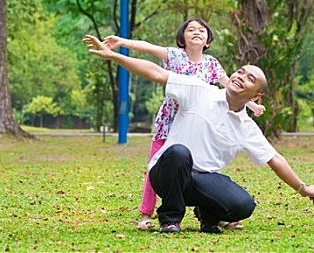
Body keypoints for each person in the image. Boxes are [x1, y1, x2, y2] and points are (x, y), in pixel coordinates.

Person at [82, 34, 314, 234]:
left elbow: (275, 159)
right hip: (167, 171)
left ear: (255, 97)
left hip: (200, 181)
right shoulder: (200, 90)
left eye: (250, 79)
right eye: (240, 72)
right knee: (178, 153)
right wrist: (114, 55)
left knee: (243, 205)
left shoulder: (247, 127)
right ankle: (170, 219)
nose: (240, 77)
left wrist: (303, 188)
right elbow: (156, 73)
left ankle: (207, 214)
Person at [103, 18, 265, 231]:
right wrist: (121, 42)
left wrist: (252, 107)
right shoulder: (175, 55)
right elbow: (150, 49)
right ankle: (146, 213)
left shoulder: (212, 63)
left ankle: (210, 210)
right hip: (170, 121)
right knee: (161, 165)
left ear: (208, 40)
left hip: (198, 122)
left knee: (201, 167)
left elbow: (229, 86)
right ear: (183, 38)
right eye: (191, 29)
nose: (197, 32)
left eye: (202, 30)